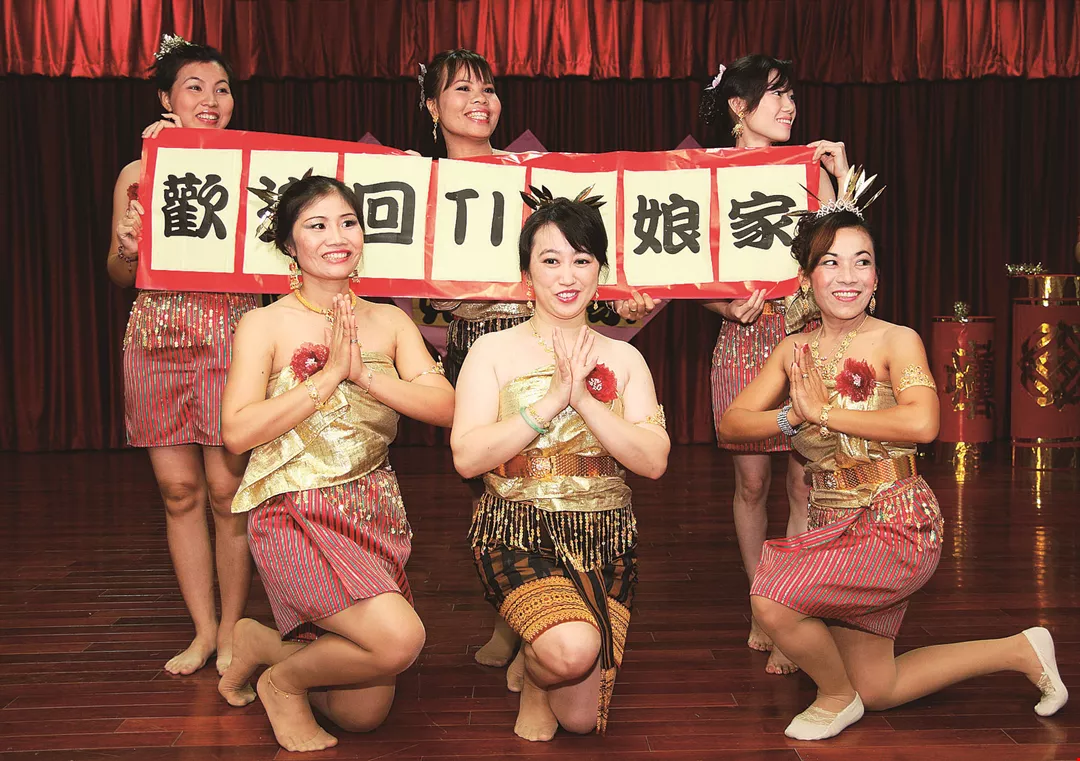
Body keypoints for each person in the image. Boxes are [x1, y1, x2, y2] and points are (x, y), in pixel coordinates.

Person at [719, 169, 1068, 740]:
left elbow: (923, 422)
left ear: (877, 277)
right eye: (831, 262)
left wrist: (824, 412)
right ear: (806, 279)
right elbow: (733, 422)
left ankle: (834, 698)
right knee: (879, 687)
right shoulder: (793, 349)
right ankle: (1022, 650)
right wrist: (791, 417)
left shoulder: (894, 339)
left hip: (894, 523)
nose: (848, 276)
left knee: (771, 598)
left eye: (863, 262)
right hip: (833, 524)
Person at [419, 48, 657, 673]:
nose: (480, 100)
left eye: (488, 88)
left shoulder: (532, 179)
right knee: (498, 474)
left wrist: (623, 300)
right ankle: (523, 611)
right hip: (482, 343)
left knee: (557, 466)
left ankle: (530, 629)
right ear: (431, 106)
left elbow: (576, 263)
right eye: (462, 89)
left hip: (560, 335)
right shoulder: (418, 187)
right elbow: (419, 289)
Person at [215, 176, 454, 752]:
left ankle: (262, 645)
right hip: (294, 512)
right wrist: (327, 378)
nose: (337, 237)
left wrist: (364, 374)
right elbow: (236, 433)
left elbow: (446, 408)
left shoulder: (390, 322)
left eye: (348, 222)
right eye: (317, 225)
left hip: (372, 509)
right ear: (289, 244)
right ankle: (281, 684)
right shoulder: (264, 324)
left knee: (360, 714)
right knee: (398, 641)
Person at [451, 190, 670, 740]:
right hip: (517, 530)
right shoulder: (492, 351)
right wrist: (550, 401)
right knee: (572, 651)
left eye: (582, 259)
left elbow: (653, 461)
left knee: (579, 719)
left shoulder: (625, 357)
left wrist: (585, 401)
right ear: (527, 274)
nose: (567, 276)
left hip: (606, 538)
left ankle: (539, 665)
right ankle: (541, 659)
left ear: (600, 272)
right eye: (550, 260)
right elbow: (467, 458)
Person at [107, 33, 257, 676]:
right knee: (178, 492)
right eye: (194, 87)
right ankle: (202, 630)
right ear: (166, 100)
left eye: (222, 88)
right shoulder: (138, 175)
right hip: (156, 339)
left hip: (231, 339)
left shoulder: (254, 167)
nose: (211, 99)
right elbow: (119, 275)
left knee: (227, 490)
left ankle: (233, 629)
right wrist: (127, 247)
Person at [700, 53, 849, 674]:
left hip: (805, 342)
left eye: (791, 95)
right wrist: (724, 307)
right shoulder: (706, 174)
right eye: (776, 95)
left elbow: (843, 254)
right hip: (744, 342)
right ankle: (762, 603)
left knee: (804, 482)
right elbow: (690, 264)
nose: (790, 106)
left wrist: (841, 183)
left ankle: (792, 605)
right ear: (739, 108)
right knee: (752, 483)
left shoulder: (808, 170)